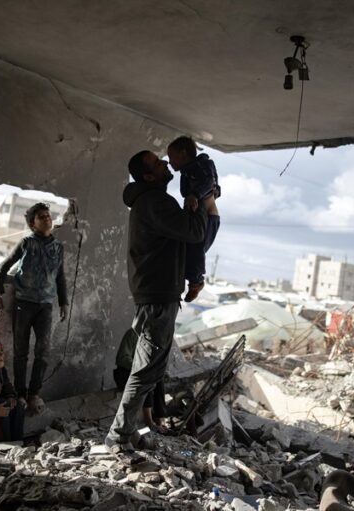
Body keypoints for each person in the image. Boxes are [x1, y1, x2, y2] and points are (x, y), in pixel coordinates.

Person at [105, 150, 206, 453]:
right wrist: (198, 207)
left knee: (149, 369)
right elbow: (194, 231)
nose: (165, 163)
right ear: (148, 176)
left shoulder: (150, 201)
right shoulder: (154, 202)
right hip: (157, 296)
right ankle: (118, 436)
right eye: (157, 163)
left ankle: (125, 430)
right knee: (146, 370)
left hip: (158, 295)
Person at [0, 203, 68, 415]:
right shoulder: (27, 243)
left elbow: (60, 276)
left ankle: (34, 392)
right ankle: (20, 393)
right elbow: (4, 266)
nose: (47, 219)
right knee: (20, 351)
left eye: (48, 216)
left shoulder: (58, 247)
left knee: (43, 351)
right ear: (32, 224)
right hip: (23, 303)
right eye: (41, 217)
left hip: (45, 305)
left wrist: (64, 302)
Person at [167, 136, 221, 303]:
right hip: (198, 218)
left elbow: (209, 181)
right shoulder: (187, 172)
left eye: (171, 157)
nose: (169, 162)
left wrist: (195, 195)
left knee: (195, 248)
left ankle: (196, 281)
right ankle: (192, 279)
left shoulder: (202, 165)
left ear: (183, 154)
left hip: (207, 218)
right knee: (188, 251)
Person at [113, 328, 167, 430]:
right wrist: (141, 368)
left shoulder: (155, 337)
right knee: (146, 379)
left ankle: (160, 421)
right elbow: (122, 358)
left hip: (142, 372)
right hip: (124, 373)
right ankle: (149, 422)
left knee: (159, 379)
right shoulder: (133, 334)